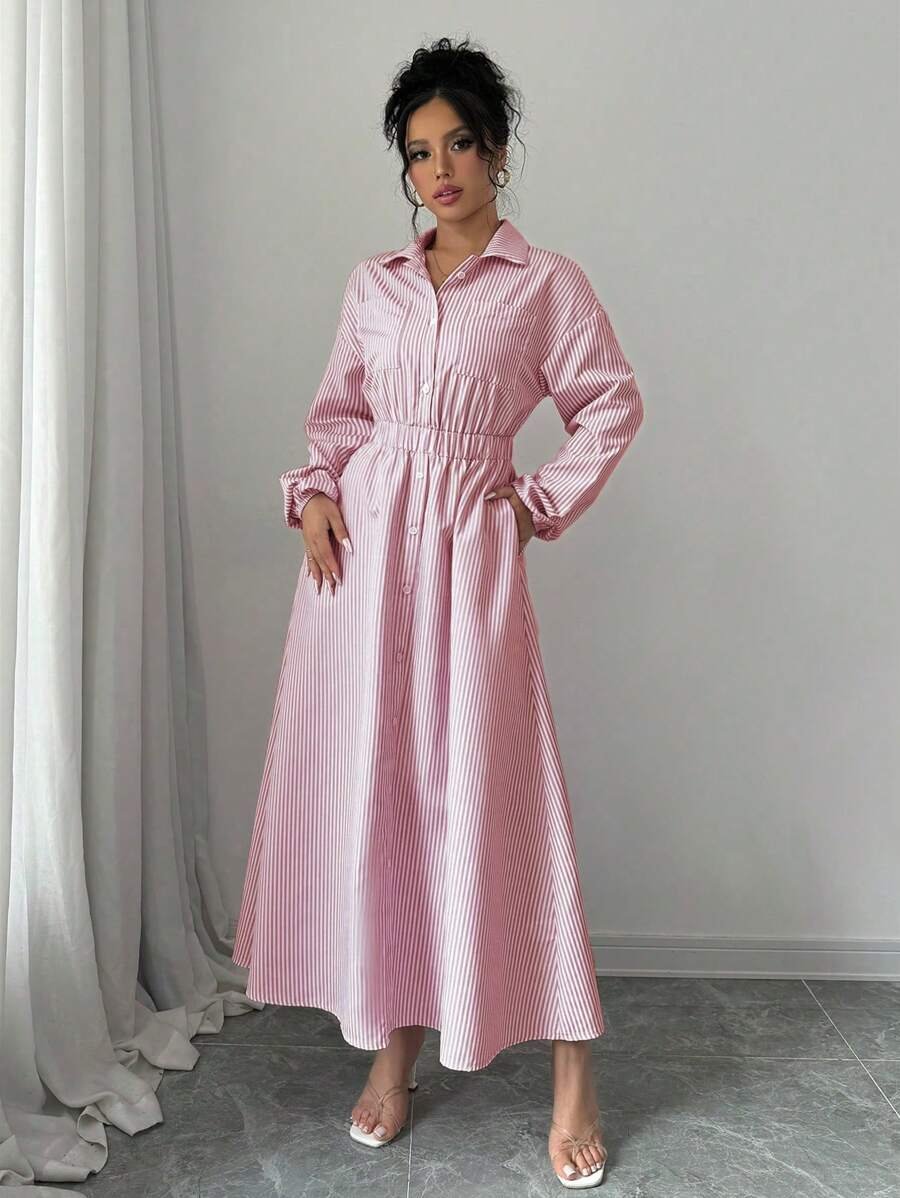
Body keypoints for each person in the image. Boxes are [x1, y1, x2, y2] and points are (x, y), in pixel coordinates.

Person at [232, 36, 644, 1190]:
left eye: (459, 143)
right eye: (418, 153)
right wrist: (315, 494)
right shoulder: (374, 284)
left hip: (468, 560)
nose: (440, 169)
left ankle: (574, 1072)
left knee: (498, 791)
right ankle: (395, 1046)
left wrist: (534, 504)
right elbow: (338, 415)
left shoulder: (546, 285)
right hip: (362, 570)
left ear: (497, 151)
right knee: (390, 793)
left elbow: (610, 403)